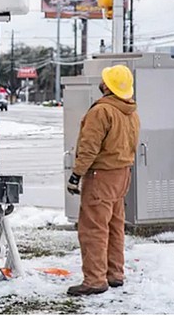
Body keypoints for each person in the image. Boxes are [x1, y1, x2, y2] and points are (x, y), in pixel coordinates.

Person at [66, 64, 140, 296]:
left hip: (101, 176)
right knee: (115, 226)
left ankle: (95, 280)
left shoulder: (101, 111)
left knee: (93, 229)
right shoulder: (131, 111)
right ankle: (114, 273)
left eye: (104, 80)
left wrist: (76, 174)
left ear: (108, 86)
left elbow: (89, 148)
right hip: (122, 174)